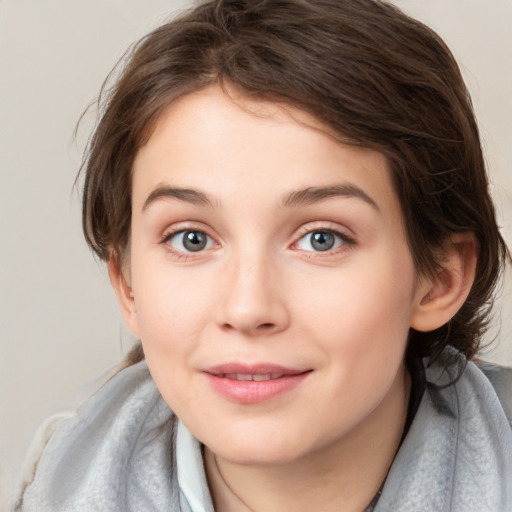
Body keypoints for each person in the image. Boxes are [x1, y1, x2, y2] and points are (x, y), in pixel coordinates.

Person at [13, 0, 512, 510]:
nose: (248, 309)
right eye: (192, 239)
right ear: (128, 285)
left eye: (322, 238)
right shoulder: (56, 486)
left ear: (440, 279)